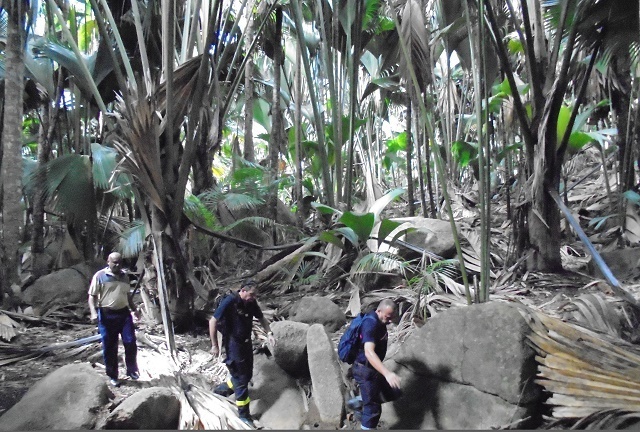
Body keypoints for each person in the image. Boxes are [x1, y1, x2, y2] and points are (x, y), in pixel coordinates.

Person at [209, 280, 275, 427]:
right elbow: (213, 321)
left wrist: (269, 332)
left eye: (255, 295)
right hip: (233, 344)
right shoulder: (230, 301)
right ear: (243, 291)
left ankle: (222, 390)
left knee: (247, 375)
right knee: (241, 380)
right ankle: (244, 414)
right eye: (251, 294)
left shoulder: (251, 303)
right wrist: (215, 345)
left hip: (246, 343)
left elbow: (261, 318)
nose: (253, 297)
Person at [88, 252, 140, 386]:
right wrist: (93, 313)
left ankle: (132, 370)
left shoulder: (125, 277)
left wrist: (134, 310)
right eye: (114, 262)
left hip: (123, 314)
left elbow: (127, 296)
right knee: (110, 346)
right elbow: (92, 296)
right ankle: (113, 375)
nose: (117, 265)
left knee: (130, 341)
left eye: (119, 262)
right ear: (108, 262)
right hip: (106, 314)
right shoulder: (100, 276)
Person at [350, 299, 402, 430]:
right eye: (387, 317)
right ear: (379, 311)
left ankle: (357, 401)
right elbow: (369, 352)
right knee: (373, 410)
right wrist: (387, 374)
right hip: (364, 370)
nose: (390, 321)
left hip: (373, 368)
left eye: (392, 318)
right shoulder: (370, 324)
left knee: (392, 392)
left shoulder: (380, 320)